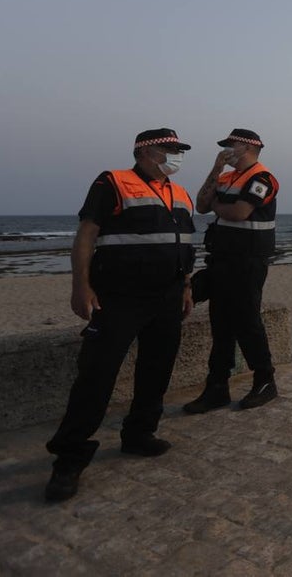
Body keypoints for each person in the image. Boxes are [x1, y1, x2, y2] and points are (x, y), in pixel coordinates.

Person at [45, 129, 196, 503]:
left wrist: (187, 286)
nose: (176, 155)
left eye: (178, 150)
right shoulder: (113, 182)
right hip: (119, 298)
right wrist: (81, 286)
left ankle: (139, 434)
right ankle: (69, 457)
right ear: (145, 152)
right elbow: (87, 234)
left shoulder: (180, 193)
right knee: (96, 374)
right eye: (170, 149)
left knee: (156, 369)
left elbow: (184, 244)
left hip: (168, 296)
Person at [184, 129, 281, 414]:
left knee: (247, 321)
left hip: (248, 261)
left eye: (232, 144)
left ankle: (265, 380)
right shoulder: (226, 176)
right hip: (222, 260)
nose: (228, 149)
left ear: (250, 147)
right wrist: (216, 168)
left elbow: (239, 212)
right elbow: (201, 206)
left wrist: (216, 204)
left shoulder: (262, 178)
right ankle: (217, 387)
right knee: (221, 323)